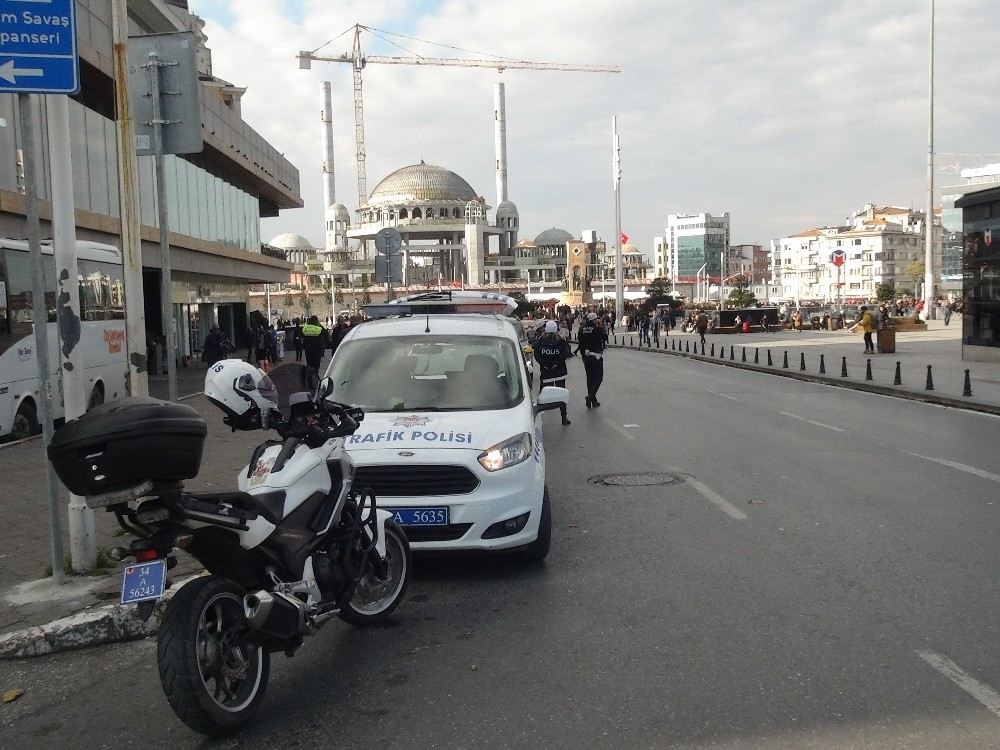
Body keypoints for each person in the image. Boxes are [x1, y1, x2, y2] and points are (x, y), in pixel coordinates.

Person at [534, 320, 573, 425]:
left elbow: (537, 354)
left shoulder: (540, 341)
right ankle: (564, 417)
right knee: (562, 395)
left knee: (542, 396)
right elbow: (565, 353)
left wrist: (545, 365)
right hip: (560, 372)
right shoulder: (561, 340)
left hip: (546, 373)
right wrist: (556, 363)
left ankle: (537, 418)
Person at [575, 312, 607, 408]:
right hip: (596, 356)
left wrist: (583, 356)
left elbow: (580, 344)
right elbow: (605, 337)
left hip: (586, 357)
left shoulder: (581, 330)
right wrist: (601, 326)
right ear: (594, 320)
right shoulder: (597, 329)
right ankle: (590, 397)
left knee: (590, 379)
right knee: (598, 378)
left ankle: (593, 400)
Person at [301, 315, 328, 380]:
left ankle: (309, 380)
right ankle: (315, 379)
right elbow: (326, 333)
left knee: (309, 365)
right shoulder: (319, 328)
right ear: (316, 321)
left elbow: (302, 336)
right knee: (316, 366)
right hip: (317, 350)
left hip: (308, 350)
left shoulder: (306, 328)